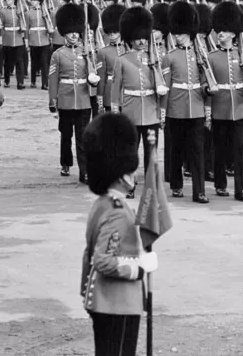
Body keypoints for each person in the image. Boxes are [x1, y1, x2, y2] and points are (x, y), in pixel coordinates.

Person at [80, 112, 158, 356]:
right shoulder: (117, 213)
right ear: (122, 173)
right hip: (117, 303)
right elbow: (102, 260)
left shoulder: (103, 204)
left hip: (104, 301)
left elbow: (88, 254)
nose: (133, 175)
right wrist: (139, 268)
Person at [111, 7, 167, 192]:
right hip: (130, 112)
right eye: (138, 37)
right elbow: (116, 87)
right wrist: (115, 111)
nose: (142, 41)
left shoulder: (155, 58)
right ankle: (129, 184)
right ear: (130, 38)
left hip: (151, 113)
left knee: (151, 151)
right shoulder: (122, 60)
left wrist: (162, 111)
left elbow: (161, 87)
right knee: (130, 152)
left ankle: (151, 185)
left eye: (144, 37)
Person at [163, 1, 209, 204]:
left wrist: (207, 107)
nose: (177, 36)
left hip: (197, 108)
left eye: (180, 32)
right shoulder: (170, 57)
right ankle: (176, 184)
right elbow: (165, 87)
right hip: (176, 108)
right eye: (175, 33)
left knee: (198, 151)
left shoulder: (201, 54)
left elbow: (207, 80)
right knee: (176, 150)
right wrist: (164, 112)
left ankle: (199, 191)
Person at [208, 1, 243, 202]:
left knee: (240, 152)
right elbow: (205, 83)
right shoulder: (211, 57)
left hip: (241, 108)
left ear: (234, 33)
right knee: (220, 150)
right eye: (220, 30)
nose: (221, 34)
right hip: (220, 108)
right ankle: (220, 184)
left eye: (226, 30)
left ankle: (241, 189)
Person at [48, 2, 91, 183]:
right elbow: (53, 80)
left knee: (82, 138)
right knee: (66, 135)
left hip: (83, 99)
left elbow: (93, 74)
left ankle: (85, 171)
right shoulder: (58, 54)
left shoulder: (87, 52)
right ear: (64, 32)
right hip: (65, 100)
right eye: (70, 31)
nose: (74, 34)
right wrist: (53, 101)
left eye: (76, 31)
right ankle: (66, 163)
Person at [97, 4, 126, 112]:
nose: (112, 34)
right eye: (109, 32)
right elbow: (101, 79)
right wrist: (100, 100)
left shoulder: (129, 50)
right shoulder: (103, 52)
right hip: (109, 93)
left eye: (115, 31)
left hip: (127, 94)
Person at [26, 0, 53, 90]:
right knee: (34, 62)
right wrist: (27, 42)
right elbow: (27, 29)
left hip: (44, 40)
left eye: (34, 0)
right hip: (33, 40)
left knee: (44, 63)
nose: (32, 2)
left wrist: (50, 38)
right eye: (32, 0)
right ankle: (33, 81)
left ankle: (45, 83)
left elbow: (49, 26)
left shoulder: (45, 12)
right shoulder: (28, 13)